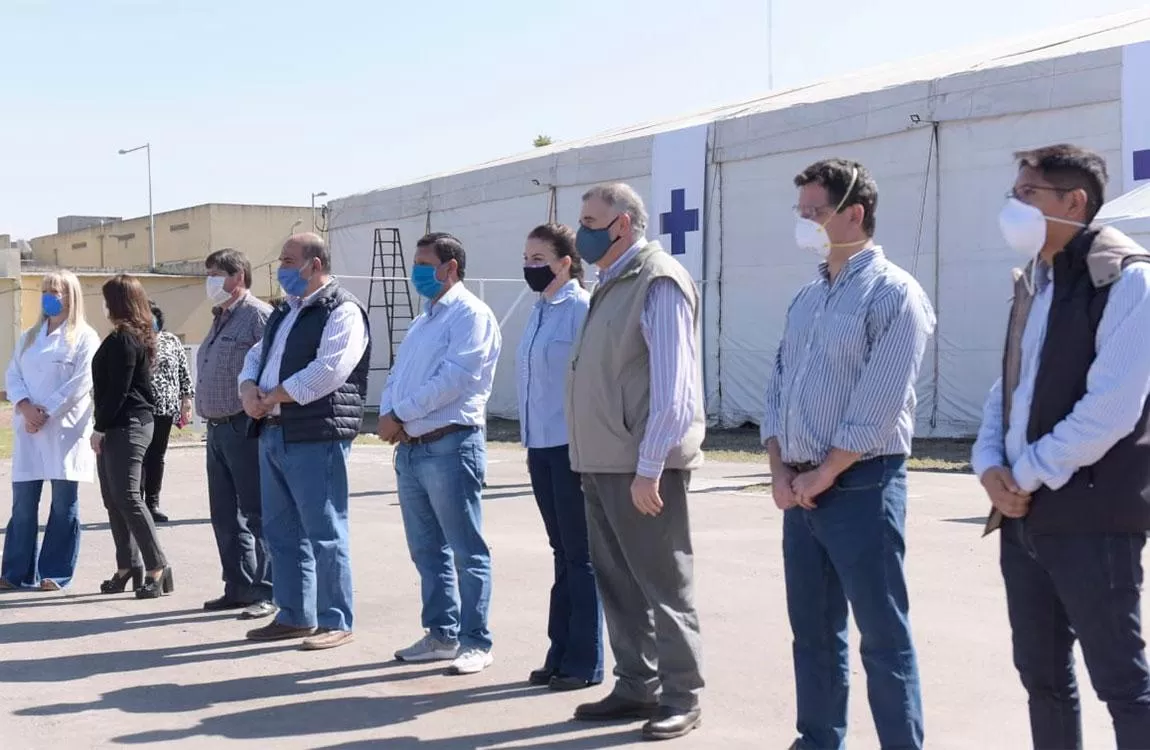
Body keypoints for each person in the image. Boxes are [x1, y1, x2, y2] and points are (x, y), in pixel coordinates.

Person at [971, 144, 1150, 750]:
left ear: (1074, 202)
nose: (1013, 206)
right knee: (1043, 680)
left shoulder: (1127, 280)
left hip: (1093, 519)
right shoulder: (1035, 284)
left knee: (1124, 685)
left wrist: (1026, 473)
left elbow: (1111, 410)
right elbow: (1008, 388)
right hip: (1025, 519)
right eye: (1013, 193)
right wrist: (990, 465)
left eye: (1028, 195)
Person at [761, 159, 935, 750]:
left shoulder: (894, 293)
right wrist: (781, 469)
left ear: (854, 213)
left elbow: (880, 399)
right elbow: (779, 383)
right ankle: (817, 740)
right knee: (812, 634)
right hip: (801, 489)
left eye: (815, 212)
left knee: (883, 637)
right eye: (802, 212)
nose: (805, 222)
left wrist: (827, 471)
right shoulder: (808, 298)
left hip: (862, 485)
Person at [566, 183, 705, 741]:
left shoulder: (657, 279)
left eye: (590, 220)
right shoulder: (610, 281)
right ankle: (636, 684)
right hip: (602, 461)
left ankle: (681, 693)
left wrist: (650, 465)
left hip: (641, 467)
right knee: (619, 584)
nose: (582, 231)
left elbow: (675, 388)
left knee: (664, 584)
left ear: (622, 224)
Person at [378, 232, 501, 676]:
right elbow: (398, 373)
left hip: (450, 444)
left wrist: (401, 415)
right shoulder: (423, 320)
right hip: (412, 449)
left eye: (424, 263)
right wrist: (390, 410)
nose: (417, 273)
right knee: (427, 550)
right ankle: (441, 634)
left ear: (450, 267)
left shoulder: (471, 315)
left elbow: (455, 380)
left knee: (467, 548)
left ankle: (476, 640)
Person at [240, 232, 370, 651]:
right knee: (281, 532)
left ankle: (336, 619)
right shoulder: (286, 311)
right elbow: (256, 357)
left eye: (288, 259)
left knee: (325, 532)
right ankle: (295, 614)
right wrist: (248, 389)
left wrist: (274, 394)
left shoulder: (342, 309)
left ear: (315, 264)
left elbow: (330, 369)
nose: (281, 268)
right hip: (274, 432)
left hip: (316, 435)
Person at [516, 223, 603, 690]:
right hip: (540, 446)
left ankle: (584, 659)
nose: (530, 266)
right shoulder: (539, 310)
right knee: (561, 553)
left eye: (538, 258)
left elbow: (591, 381)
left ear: (565, 261)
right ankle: (560, 650)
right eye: (526, 258)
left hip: (571, 447)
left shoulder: (580, 309)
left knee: (581, 556)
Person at [1, 271, 101, 591]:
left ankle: (55, 572)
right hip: (29, 427)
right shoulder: (30, 337)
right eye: (45, 290)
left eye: (55, 291)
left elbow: (82, 382)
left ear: (71, 297)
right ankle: (16, 571)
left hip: (64, 431)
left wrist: (47, 411)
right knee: (23, 504)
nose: (49, 296)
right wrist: (26, 407)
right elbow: (13, 375)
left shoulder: (85, 337)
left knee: (63, 504)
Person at [197, 248, 276, 620]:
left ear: (239, 276)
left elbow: (272, 366)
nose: (210, 281)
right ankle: (239, 585)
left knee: (259, 512)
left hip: (244, 426)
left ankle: (270, 589)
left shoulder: (259, 316)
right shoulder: (221, 317)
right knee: (225, 514)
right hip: (216, 428)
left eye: (216, 273)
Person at [93, 274, 173, 599]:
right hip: (117, 425)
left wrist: (99, 428)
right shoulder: (123, 336)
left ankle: (157, 567)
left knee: (127, 496)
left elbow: (119, 390)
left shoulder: (126, 339)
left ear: (117, 302)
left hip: (128, 425)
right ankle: (128, 567)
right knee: (113, 500)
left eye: (107, 298)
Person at [141, 300, 194, 524]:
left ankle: (152, 503)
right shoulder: (132, 340)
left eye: (152, 315)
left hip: (164, 409)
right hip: (140, 408)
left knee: (157, 456)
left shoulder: (171, 340)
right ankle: (136, 504)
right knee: (139, 456)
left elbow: (184, 372)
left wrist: (187, 400)